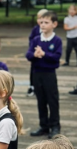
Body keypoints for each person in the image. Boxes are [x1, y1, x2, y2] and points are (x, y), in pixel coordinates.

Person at [26, 10, 62, 138]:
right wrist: (35, 55)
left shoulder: (57, 40)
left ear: (54, 24)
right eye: (41, 22)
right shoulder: (36, 39)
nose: (43, 24)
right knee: (40, 100)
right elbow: (28, 54)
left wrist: (44, 54)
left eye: (46, 22)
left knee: (52, 100)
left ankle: (55, 126)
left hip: (49, 74)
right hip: (37, 73)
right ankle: (44, 125)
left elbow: (57, 57)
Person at [27, 9, 48, 97]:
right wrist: (34, 49)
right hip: (35, 54)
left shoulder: (48, 30)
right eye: (39, 18)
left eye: (43, 20)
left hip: (44, 54)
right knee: (33, 70)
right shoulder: (35, 29)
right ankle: (32, 86)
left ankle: (43, 86)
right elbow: (31, 39)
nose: (40, 21)